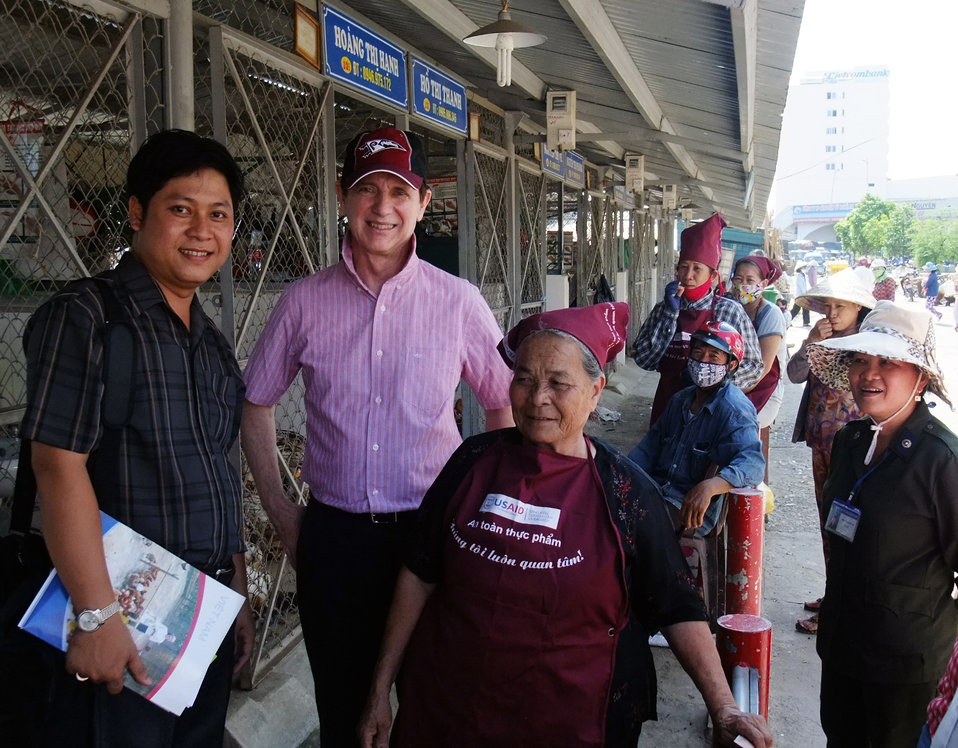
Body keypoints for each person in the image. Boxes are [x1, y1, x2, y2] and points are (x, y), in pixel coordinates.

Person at [358, 303, 773, 748]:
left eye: (558, 383)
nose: (538, 398)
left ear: (596, 391)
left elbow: (677, 607)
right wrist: (379, 689)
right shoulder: (471, 462)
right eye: (524, 380)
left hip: (574, 722)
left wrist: (723, 707)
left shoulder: (627, 494)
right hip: (448, 714)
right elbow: (419, 573)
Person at [241, 126, 513, 747]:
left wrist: (485, 509)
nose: (382, 207)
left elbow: (502, 404)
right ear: (342, 197)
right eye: (367, 190)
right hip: (334, 539)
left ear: (423, 201)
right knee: (342, 710)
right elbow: (255, 402)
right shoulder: (303, 302)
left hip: (432, 535)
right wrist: (283, 514)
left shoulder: (459, 301)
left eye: (399, 190)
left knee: (430, 706)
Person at [17, 130, 253, 745]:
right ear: (137, 212)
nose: (202, 230)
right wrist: (98, 618)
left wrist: (236, 598)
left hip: (198, 621)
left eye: (218, 214)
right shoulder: (89, 316)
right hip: (118, 624)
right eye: (181, 209)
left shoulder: (211, 345)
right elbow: (56, 467)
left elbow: (216, 476)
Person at [805, 301, 958, 748]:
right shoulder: (850, 440)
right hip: (844, 645)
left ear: (921, 379)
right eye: (860, 360)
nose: (869, 374)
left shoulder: (940, 460)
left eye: (888, 362)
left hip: (904, 664)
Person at [787, 268, 874, 634]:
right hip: (821, 443)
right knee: (828, 524)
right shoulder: (820, 340)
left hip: (852, 451)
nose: (833, 313)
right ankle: (833, 592)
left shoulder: (869, 347)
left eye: (842, 307)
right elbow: (794, 374)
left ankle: (840, 607)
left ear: (859, 309)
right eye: (828, 306)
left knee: (845, 526)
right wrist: (809, 341)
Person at [629, 320, 764, 538]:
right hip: (656, 493)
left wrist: (711, 486)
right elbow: (648, 449)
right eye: (698, 353)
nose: (703, 362)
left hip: (689, 510)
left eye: (713, 357)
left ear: (731, 365)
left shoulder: (734, 409)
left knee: (629, 531)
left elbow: (753, 463)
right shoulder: (680, 400)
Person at [631, 214, 762, 425]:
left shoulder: (729, 311)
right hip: (667, 410)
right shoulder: (663, 309)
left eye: (697, 268)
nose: (688, 275)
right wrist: (669, 316)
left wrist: (713, 385)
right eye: (683, 267)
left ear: (712, 276)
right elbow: (643, 359)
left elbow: (754, 366)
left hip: (712, 413)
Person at [730, 255, 788, 484]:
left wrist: (731, 394)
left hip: (764, 387)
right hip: (738, 382)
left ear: (763, 284)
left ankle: (751, 491)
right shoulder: (732, 307)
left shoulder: (770, 314)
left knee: (737, 424)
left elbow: (763, 369)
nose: (743, 285)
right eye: (738, 279)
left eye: (750, 279)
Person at [791, 261, 811, 326]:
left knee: (805, 308)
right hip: (800, 295)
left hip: (803, 294)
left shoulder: (803, 275)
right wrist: (804, 294)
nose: (805, 268)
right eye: (804, 267)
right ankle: (787, 320)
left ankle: (806, 322)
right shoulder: (798, 276)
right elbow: (801, 286)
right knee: (796, 309)